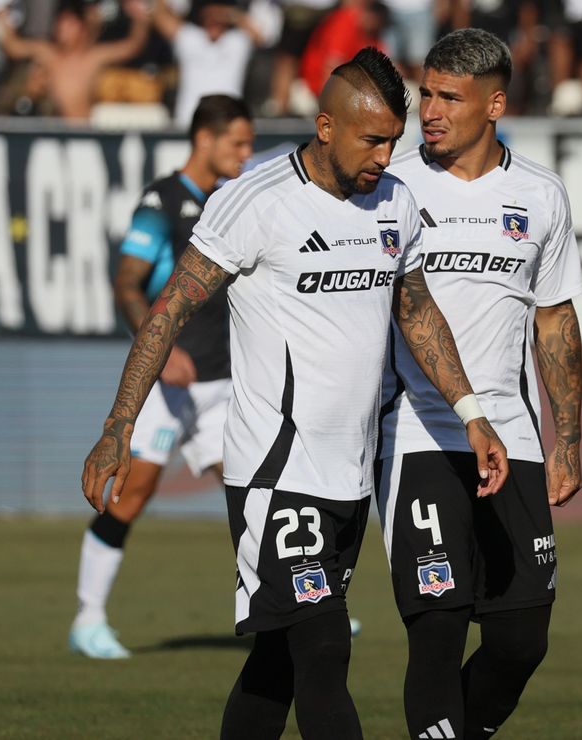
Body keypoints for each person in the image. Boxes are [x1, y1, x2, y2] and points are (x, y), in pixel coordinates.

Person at [79, 47, 510, 739]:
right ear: (325, 126)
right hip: (274, 472)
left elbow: (419, 312)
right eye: (371, 140)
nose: (383, 157)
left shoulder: (395, 202)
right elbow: (167, 312)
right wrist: (117, 426)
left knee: (276, 663)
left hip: (349, 476)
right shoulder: (254, 202)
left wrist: (472, 413)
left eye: (392, 143)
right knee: (325, 647)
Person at [379, 29, 582, 740]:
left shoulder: (540, 196)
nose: (428, 111)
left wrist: (569, 440)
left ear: (494, 104)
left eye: (448, 98)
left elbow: (554, 322)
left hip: (516, 435)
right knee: (437, 630)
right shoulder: (393, 189)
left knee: (521, 640)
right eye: (425, 95)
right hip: (420, 433)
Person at [69, 94, 254, 660]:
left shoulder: (230, 201)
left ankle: (292, 608)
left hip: (223, 379)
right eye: (237, 143)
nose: (245, 155)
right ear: (205, 139)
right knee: (134, 492)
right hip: (170, 384)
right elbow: (128, 282)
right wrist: (159, 348)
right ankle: (88, 618)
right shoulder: (162, 200)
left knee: (255, 492)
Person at [0, 0, 150, 121]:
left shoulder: (93, 58)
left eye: (69, 25)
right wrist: (1, 14)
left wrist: (140, 18)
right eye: (60, 25)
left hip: (84, 132)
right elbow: (13, 47)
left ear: (82, 28)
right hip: (56, 131)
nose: (63, 31)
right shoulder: (49, 54)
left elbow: (132, 46)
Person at [151, 0, 262, 127]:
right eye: (209, 12)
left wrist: (231, 14)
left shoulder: (237, 42)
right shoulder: (190, 38)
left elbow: (259, 37)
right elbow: (160, 18)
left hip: (228, 122)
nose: (214, 16)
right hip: (188, 121)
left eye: (219, 12)